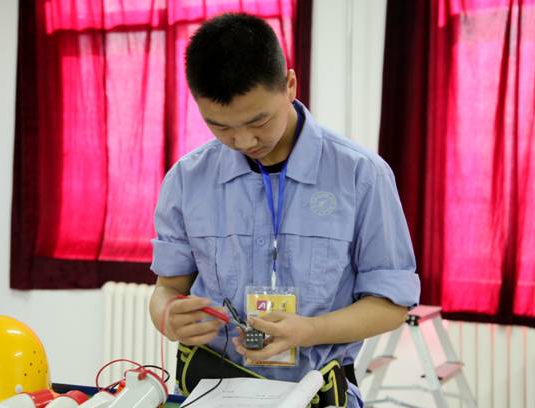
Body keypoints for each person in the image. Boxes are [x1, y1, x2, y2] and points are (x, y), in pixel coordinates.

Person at [149, 12, 420, 407]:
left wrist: (309, 330)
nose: (244, 140)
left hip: (316, 392)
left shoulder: (360, 175)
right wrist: (167, 316)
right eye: (220, 127)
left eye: (258, 120)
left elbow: (390, 306)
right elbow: (167, 289)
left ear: (290, 85)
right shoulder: (187, 179)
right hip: (214, 389)